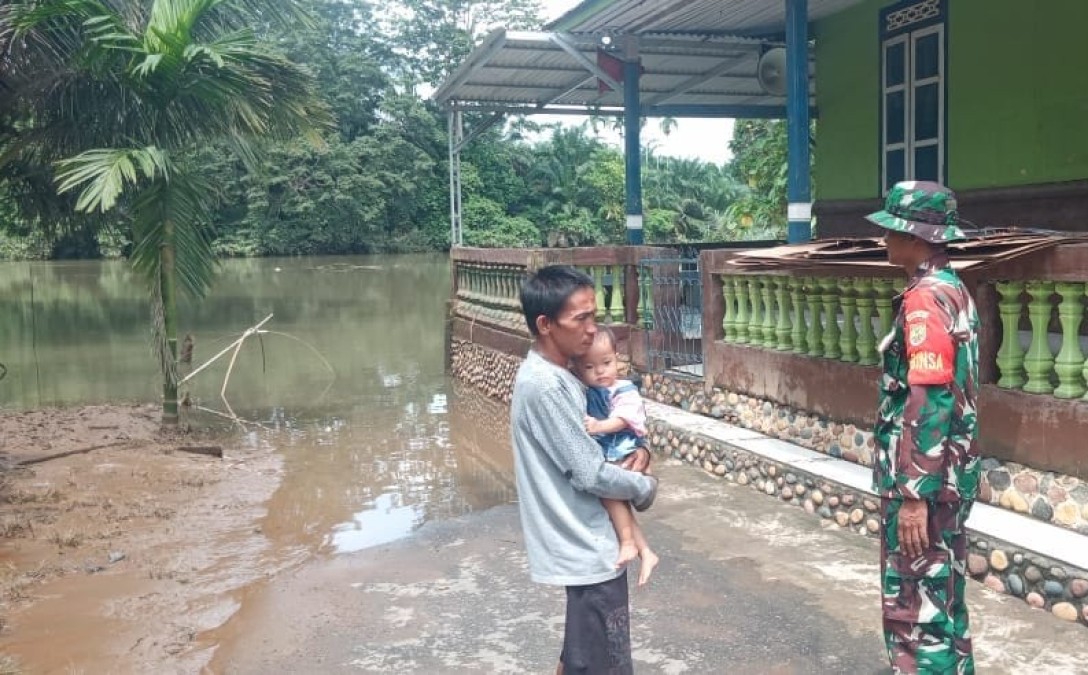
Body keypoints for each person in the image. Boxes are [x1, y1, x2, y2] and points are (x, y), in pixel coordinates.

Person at [510, 264, 658, 675]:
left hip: (589, 543)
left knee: (578, 657)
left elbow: (612, 430)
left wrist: (641, 448)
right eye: (581, 318)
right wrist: (644, 487)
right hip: (588, 547)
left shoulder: (567, 376)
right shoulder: (547, 386)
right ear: (545, 325)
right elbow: (591, 472)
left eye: (593, 315)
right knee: (604, 663)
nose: (593, 329)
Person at [866, 181, 981, 674]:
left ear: (916, 238)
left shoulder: (925, 300)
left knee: (916, 615)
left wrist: (914, 492)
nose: (885, 240)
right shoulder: (952, 289)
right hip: (950, 479)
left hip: (926, 484)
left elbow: (930, 398)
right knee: (946, 603)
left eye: (893, 231)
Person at [573, 326, 660, 587]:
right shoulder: (585, 390)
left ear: (617, 358)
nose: (599, 371)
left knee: (610, 498)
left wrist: (598, 426)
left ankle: (628, 543)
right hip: (611, 453)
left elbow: (623, 419)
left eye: (606, 363)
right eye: (589, 367)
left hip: (621, 452)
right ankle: (645, 551)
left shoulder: (624, 390)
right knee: (615, 504)